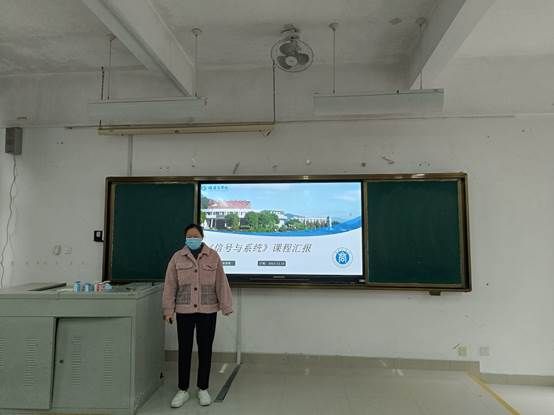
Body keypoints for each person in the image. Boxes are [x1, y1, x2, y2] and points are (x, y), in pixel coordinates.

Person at [162, 223, 233, 408]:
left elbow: (221, 282)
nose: (192, 239)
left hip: (207, 311)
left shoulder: (213, 256)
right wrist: (168, 310)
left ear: (202, 237)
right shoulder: (177, 257)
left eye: (195, 236)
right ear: (185, 238)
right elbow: (170, 285)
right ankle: (182, 390)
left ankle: (203, 388)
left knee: (205, 350)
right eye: (189, 236)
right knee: (184, 350)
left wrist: (226, 306)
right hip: (184, 311)